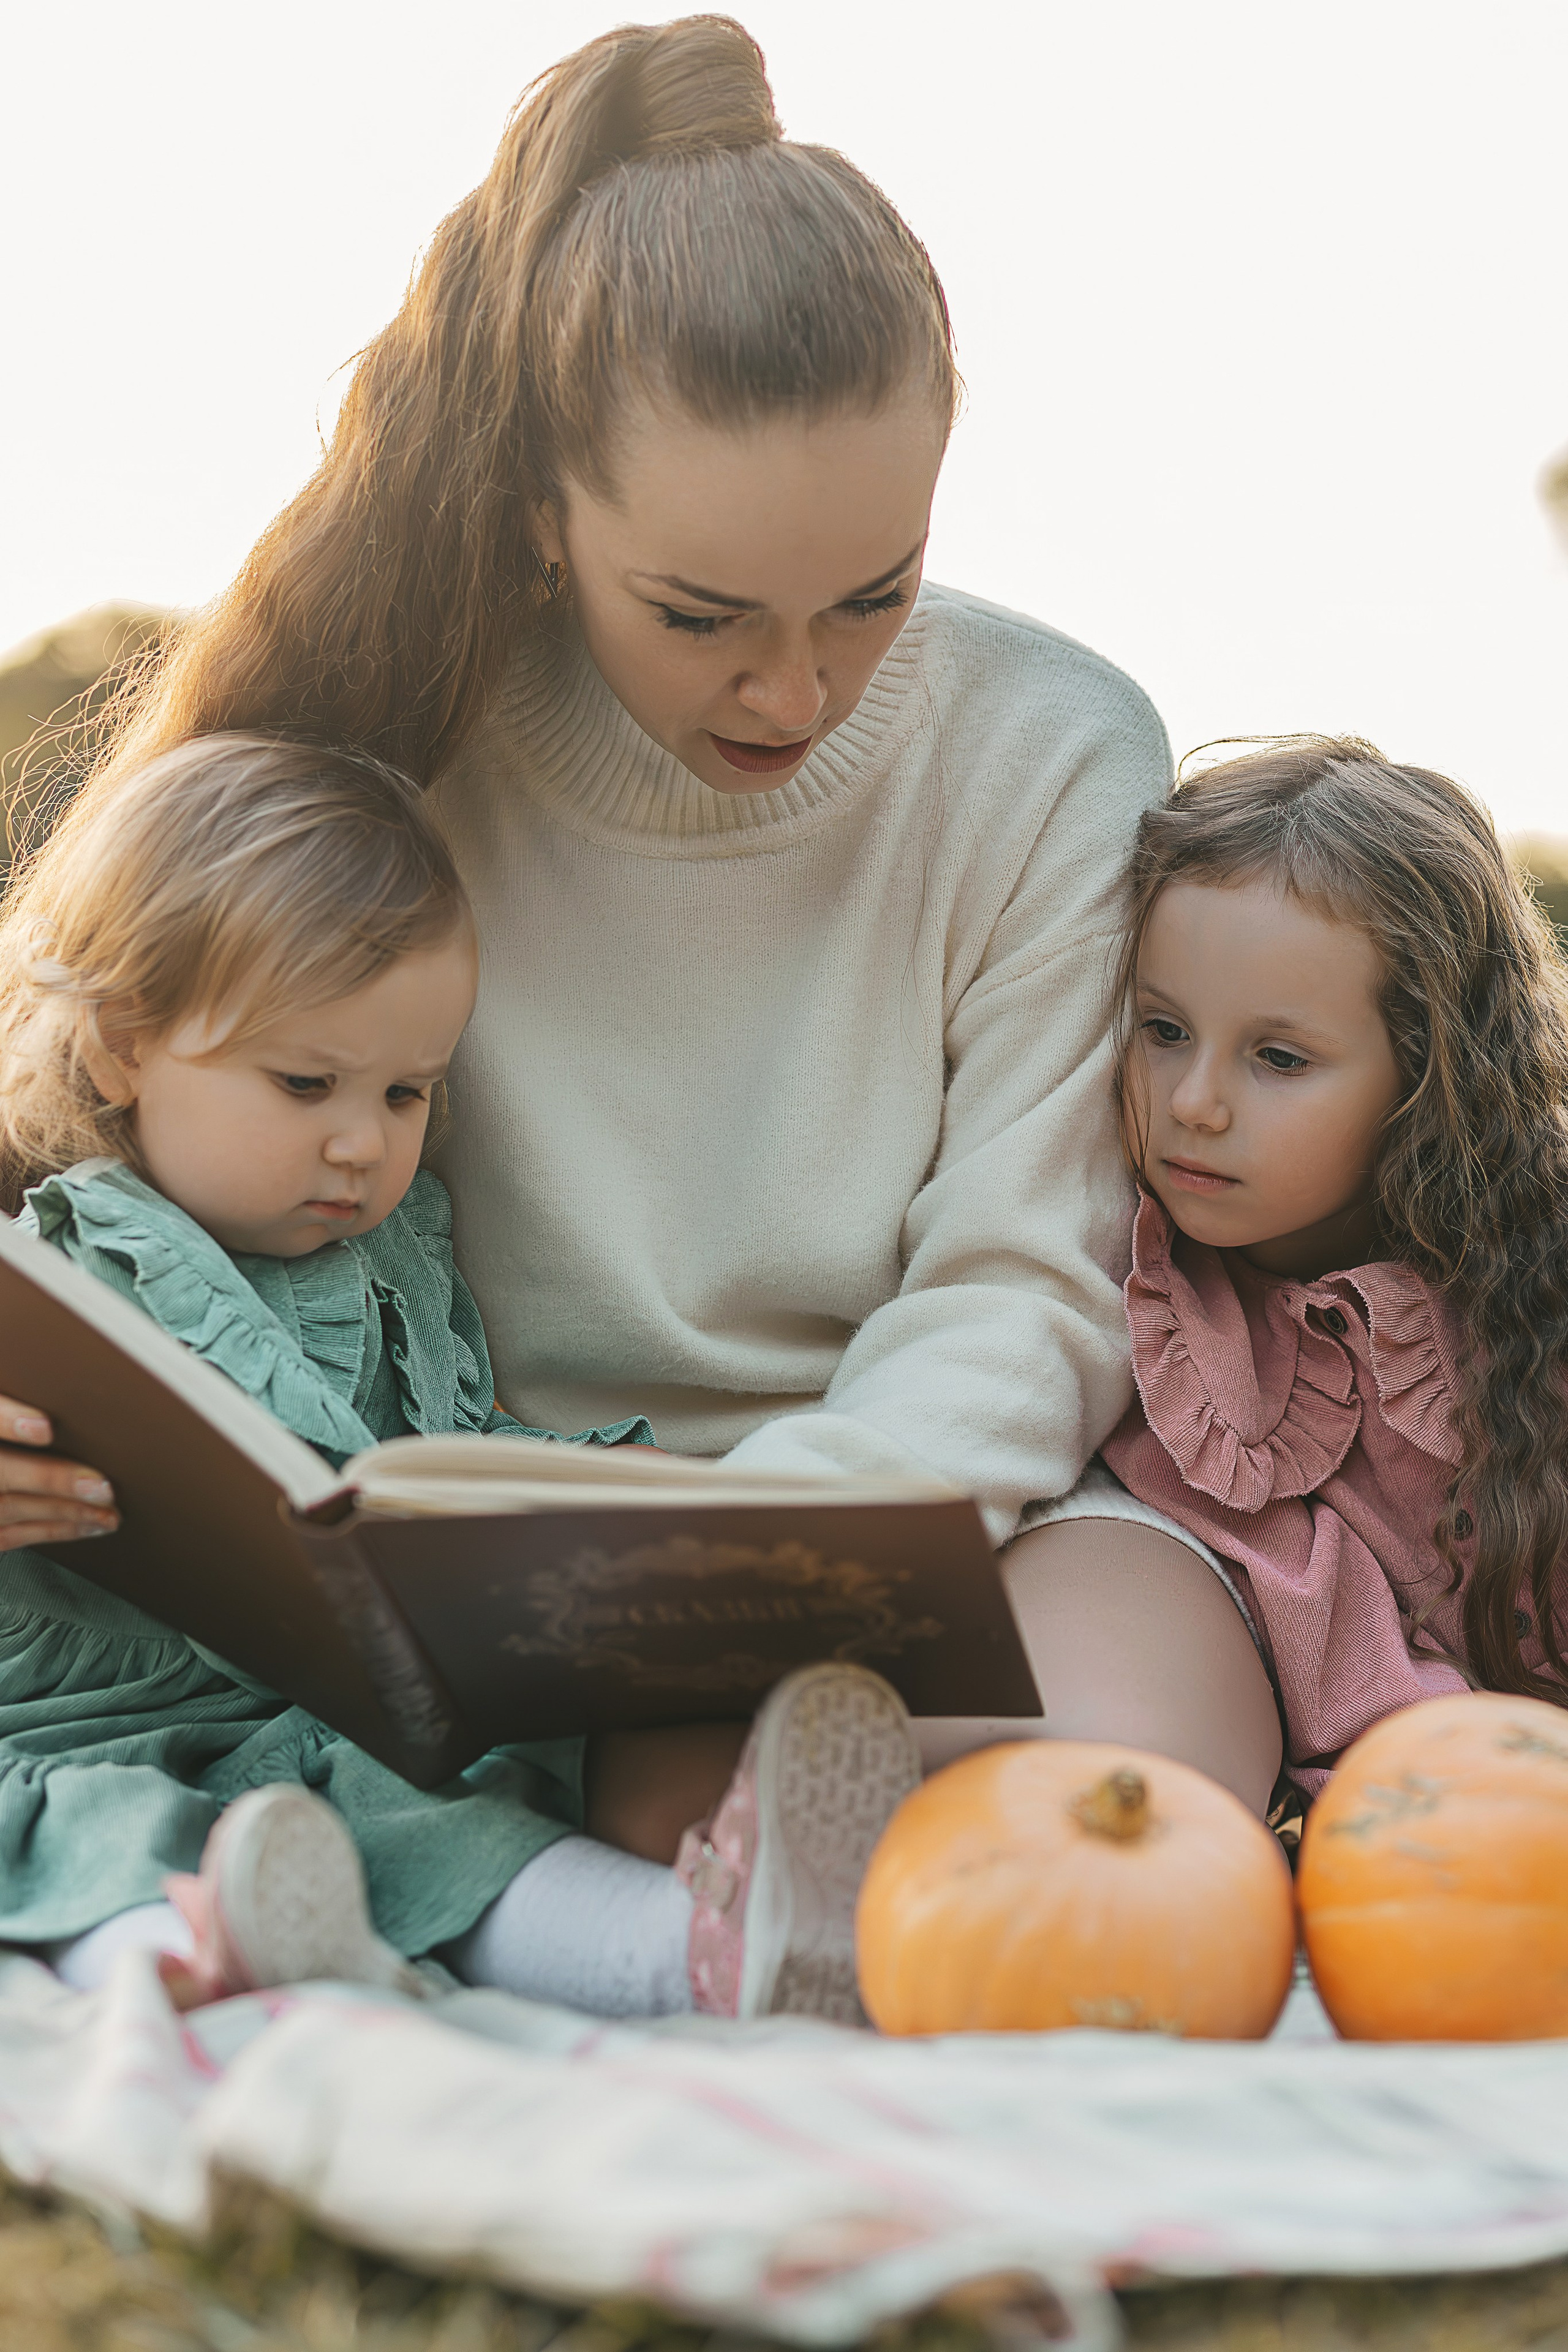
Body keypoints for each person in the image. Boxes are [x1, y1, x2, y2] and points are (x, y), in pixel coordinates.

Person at [1, 15, 1280, 1831]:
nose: (797, 690)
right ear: (543, 515)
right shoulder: (395, 745)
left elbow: (1026, 1288)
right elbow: (98, 1133)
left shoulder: (1055, 746)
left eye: (873, 597)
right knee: (699, 1837)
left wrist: (764, 1563)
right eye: (699, 615)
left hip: (969, 1503)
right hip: (507, 1564)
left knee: (1110, 1803)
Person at [0, 731, 922, 2018]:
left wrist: (604, 1498)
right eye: (306, 1082)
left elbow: (446, 1448)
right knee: (107, 1846)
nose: (361, 1145)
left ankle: (691, 1951)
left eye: (407, 1093)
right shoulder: (51, 1271)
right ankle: (197, 1959)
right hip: (79, 1735)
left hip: (326, 1733)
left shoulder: (397, 1257)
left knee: (446, 1823)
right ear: (118, 1050)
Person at [1100, 736, 1568, 1792]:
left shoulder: (1530, 1270)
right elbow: (1326, 1629)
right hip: (1445, 1813)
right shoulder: (1182, 1345)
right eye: (1163, 1030)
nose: (1194, 1103)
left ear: (1428, 1072)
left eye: (1279, 1058)